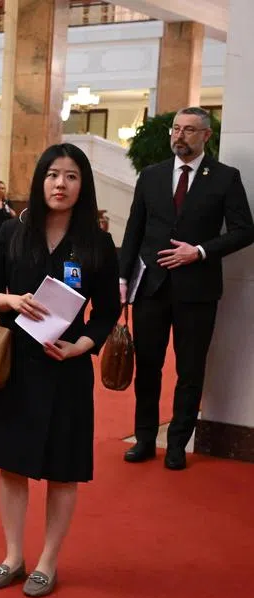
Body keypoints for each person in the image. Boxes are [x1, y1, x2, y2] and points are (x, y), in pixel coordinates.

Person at [0, 143, 119, 598]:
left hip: (65, 368)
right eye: (53, 174)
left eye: (71, 176)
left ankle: (48, 561)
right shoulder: (13, 234)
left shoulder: (97, 242)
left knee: (63, 469)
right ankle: (14, 556)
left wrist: (82, 346)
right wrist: (10, 300)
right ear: (40, 179)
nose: (60, 184)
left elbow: (108, 309)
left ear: (83, 185)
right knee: (11, 465)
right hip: (15, 365)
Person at [120, 106, 254, 471]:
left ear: (206, 136)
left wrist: (199, 251)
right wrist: (122, 279)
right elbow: (134, 230)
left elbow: (245, 229)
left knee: (190, 370)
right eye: (176, 129)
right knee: (148, 367)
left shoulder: (225, 178)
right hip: (152, 287)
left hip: (198, 291)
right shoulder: (151, 175)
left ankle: (178, 444)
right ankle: (145, 439)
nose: (179, 136)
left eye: (189, 130)